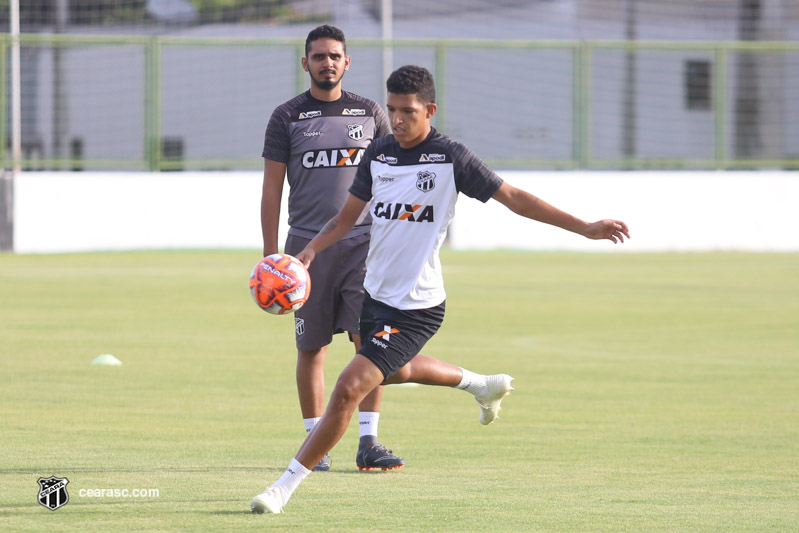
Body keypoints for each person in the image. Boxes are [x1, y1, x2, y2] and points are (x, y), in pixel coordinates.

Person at [251, 65, 630, 514]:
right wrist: (309, 254)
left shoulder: (451, 158)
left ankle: (282, 489)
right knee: (392, 370)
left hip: (417, 306)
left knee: (351, 385)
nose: (396, 120)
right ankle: (480, 384)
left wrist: (584, 227)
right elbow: (346, 218)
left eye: (407, 111)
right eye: (391, 110)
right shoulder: (379, 154)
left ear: (429, 110)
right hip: (375, 297)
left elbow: (515, 198)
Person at [260, 25, 404, 472]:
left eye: (335, 56)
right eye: (318, 56)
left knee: (371, 344)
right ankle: (313, 444)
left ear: (347, 62)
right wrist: (272, 256)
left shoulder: (370, 112)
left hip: (364, 246)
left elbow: (392, 178)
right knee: (312, 348)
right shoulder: (286, 117)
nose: (327, 63)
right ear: (305, 64)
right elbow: (271, 191)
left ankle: (369, 441)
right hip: (304, 251)